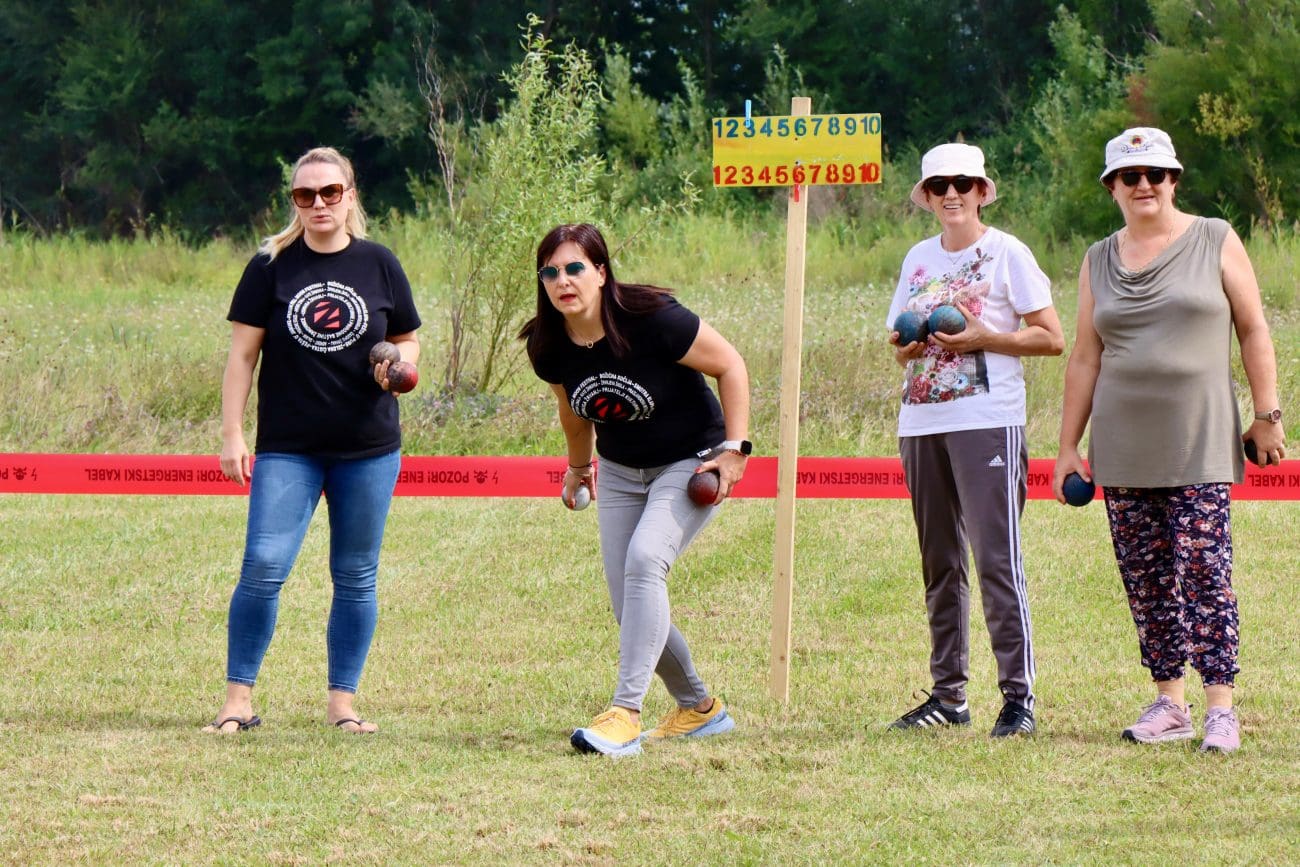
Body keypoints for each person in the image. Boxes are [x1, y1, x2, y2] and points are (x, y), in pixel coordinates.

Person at [1053, 127, 1285, 753]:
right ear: (1112, 187)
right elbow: (1085, 357)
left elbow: (1253, 329)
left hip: (1199, 439)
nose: (1144, 185)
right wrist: (1069, 446)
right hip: (1123, 444)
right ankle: (1169, 703)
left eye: (1155, 173)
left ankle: (1220, 709)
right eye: (1130, 176)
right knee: (1146, 577)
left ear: (1173, 180)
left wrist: (1268, 414)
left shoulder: (1215, 237)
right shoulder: (1097, 258)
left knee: (1205, 571)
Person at [203, 146, 421, 735]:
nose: (318, 203)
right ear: (294, 201)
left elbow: (407, 337)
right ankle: (237, 701)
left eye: (330, 192)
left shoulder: (379, 263)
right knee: (263, 565)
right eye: (305, 194)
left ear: (350, 196)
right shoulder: (269, 265)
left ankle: (342, 705)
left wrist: (402, 366)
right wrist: (232, 432)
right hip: (288, 447)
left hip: (369, 447)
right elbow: (242, 357)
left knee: (355, 575)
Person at [520, 223, 750, 757]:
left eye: (575, 268)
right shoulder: (547, 343)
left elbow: (730, 364)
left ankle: (624, 714)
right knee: (630, 605)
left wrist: (736, 450)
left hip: (690, 461)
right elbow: (572, 410)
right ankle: (700, 709)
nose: (562, 281)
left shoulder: (653, 319)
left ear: (601, 273)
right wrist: (578, 467)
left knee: (646, 562)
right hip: (621, 469)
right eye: (550, 272)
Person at [885, 143, 1064, 737]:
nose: (952, 194)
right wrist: (908, 347)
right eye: (939, 186)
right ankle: (949, 697)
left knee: (995, 560)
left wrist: (985, 338)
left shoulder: (1008, 252)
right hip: (921, 422)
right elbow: (900, 345)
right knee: (940, 562)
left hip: (987, 421)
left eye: (963, 183)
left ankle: (1018, 699)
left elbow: (1051, 338)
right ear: (927, 197)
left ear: (982, 191)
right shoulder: (917, 257)